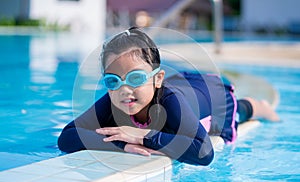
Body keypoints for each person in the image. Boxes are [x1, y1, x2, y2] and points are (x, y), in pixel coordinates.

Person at [58, 27, 279, 166]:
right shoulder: (116, 97)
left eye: (135, 78)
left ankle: (255, 106)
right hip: (186, 87)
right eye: (113, 81)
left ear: (157, 78)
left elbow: (203, 153)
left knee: (238, 114)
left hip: (215, 95)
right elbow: (67, 136)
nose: (124, 89)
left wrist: (141, 136)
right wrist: (122, 145)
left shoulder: (169, 100)